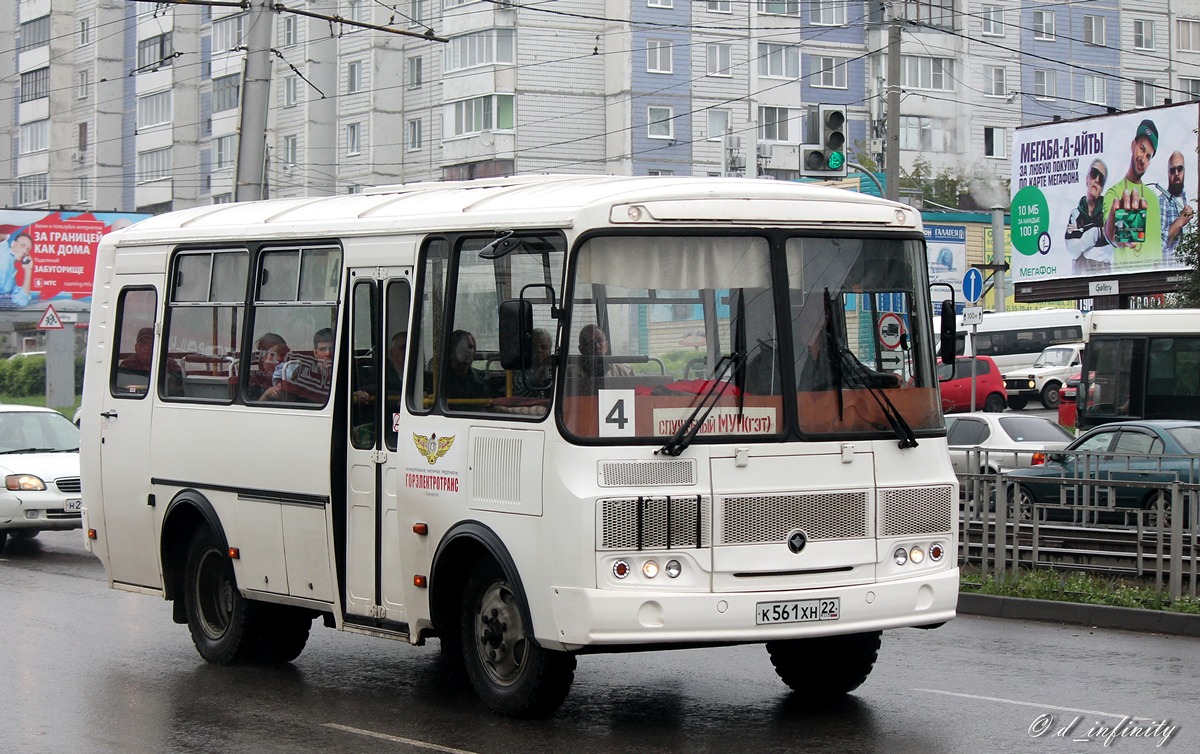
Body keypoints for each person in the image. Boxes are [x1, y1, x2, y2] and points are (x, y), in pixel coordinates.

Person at [1104, 118, 1162, 267]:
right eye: (1142, 149)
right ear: (1133, 146)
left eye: (1148, 156)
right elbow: (1111, 237)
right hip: (1124, 285)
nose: (1143, 159)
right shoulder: (1114, 193)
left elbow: (1158, 251)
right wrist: (1116, 220)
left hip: (1152, 285)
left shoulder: (1153, 199)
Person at [1065, 158, 1113, 275]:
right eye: (1094, 174)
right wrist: (1097, 232)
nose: (1096, 180)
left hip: (1103, 276)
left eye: (1101, 179)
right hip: (1079, 278)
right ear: (1087, 179)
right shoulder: (1075, 214)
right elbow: (1073, 250)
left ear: (1102, 188)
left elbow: (1108, 252)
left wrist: (1080, 232)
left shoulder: (1107, 213)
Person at [262, 328, 334, 402]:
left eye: (332, 349)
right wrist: (266, 395)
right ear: (315, 353)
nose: (328, 353)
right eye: (322, 349)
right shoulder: (301, 376)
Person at [1159, 151, 1194, 265]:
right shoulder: (1163, 201)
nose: (1177, 173)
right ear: (1168, 173)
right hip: (1170, 271)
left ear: (1184, 171)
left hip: (1189, 268)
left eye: (1180, 169)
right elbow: (1159, 243)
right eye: (1173, 170)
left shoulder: (1187, 199)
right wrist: (1180, 221)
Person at [443, 329, 487, 400]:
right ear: (451, 350)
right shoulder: (441, 380)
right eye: (462, 347)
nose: (468, 351)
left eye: (470, 347)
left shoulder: (479, 379)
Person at [246, 333, 289, 400]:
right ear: (262, 357)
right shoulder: (254, 378)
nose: (279, 358)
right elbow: (248, 407)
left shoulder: (288, 376)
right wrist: (266, 395)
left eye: (282, 354)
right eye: (273, 354)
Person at [513, 328, 553, 398]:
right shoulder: (520, 371)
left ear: (550, 350)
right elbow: (520, 396)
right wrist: (538, 375)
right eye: (534, 347)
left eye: (544, 347)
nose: (539, 350)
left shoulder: (556, 370)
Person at [0, 231, 35, 309]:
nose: (25, 251)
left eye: (27, 249)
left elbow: (22, 301)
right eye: (22, 245)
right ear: (13, 244)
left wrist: (28, 270)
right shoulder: (3, 250)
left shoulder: (12, 280)